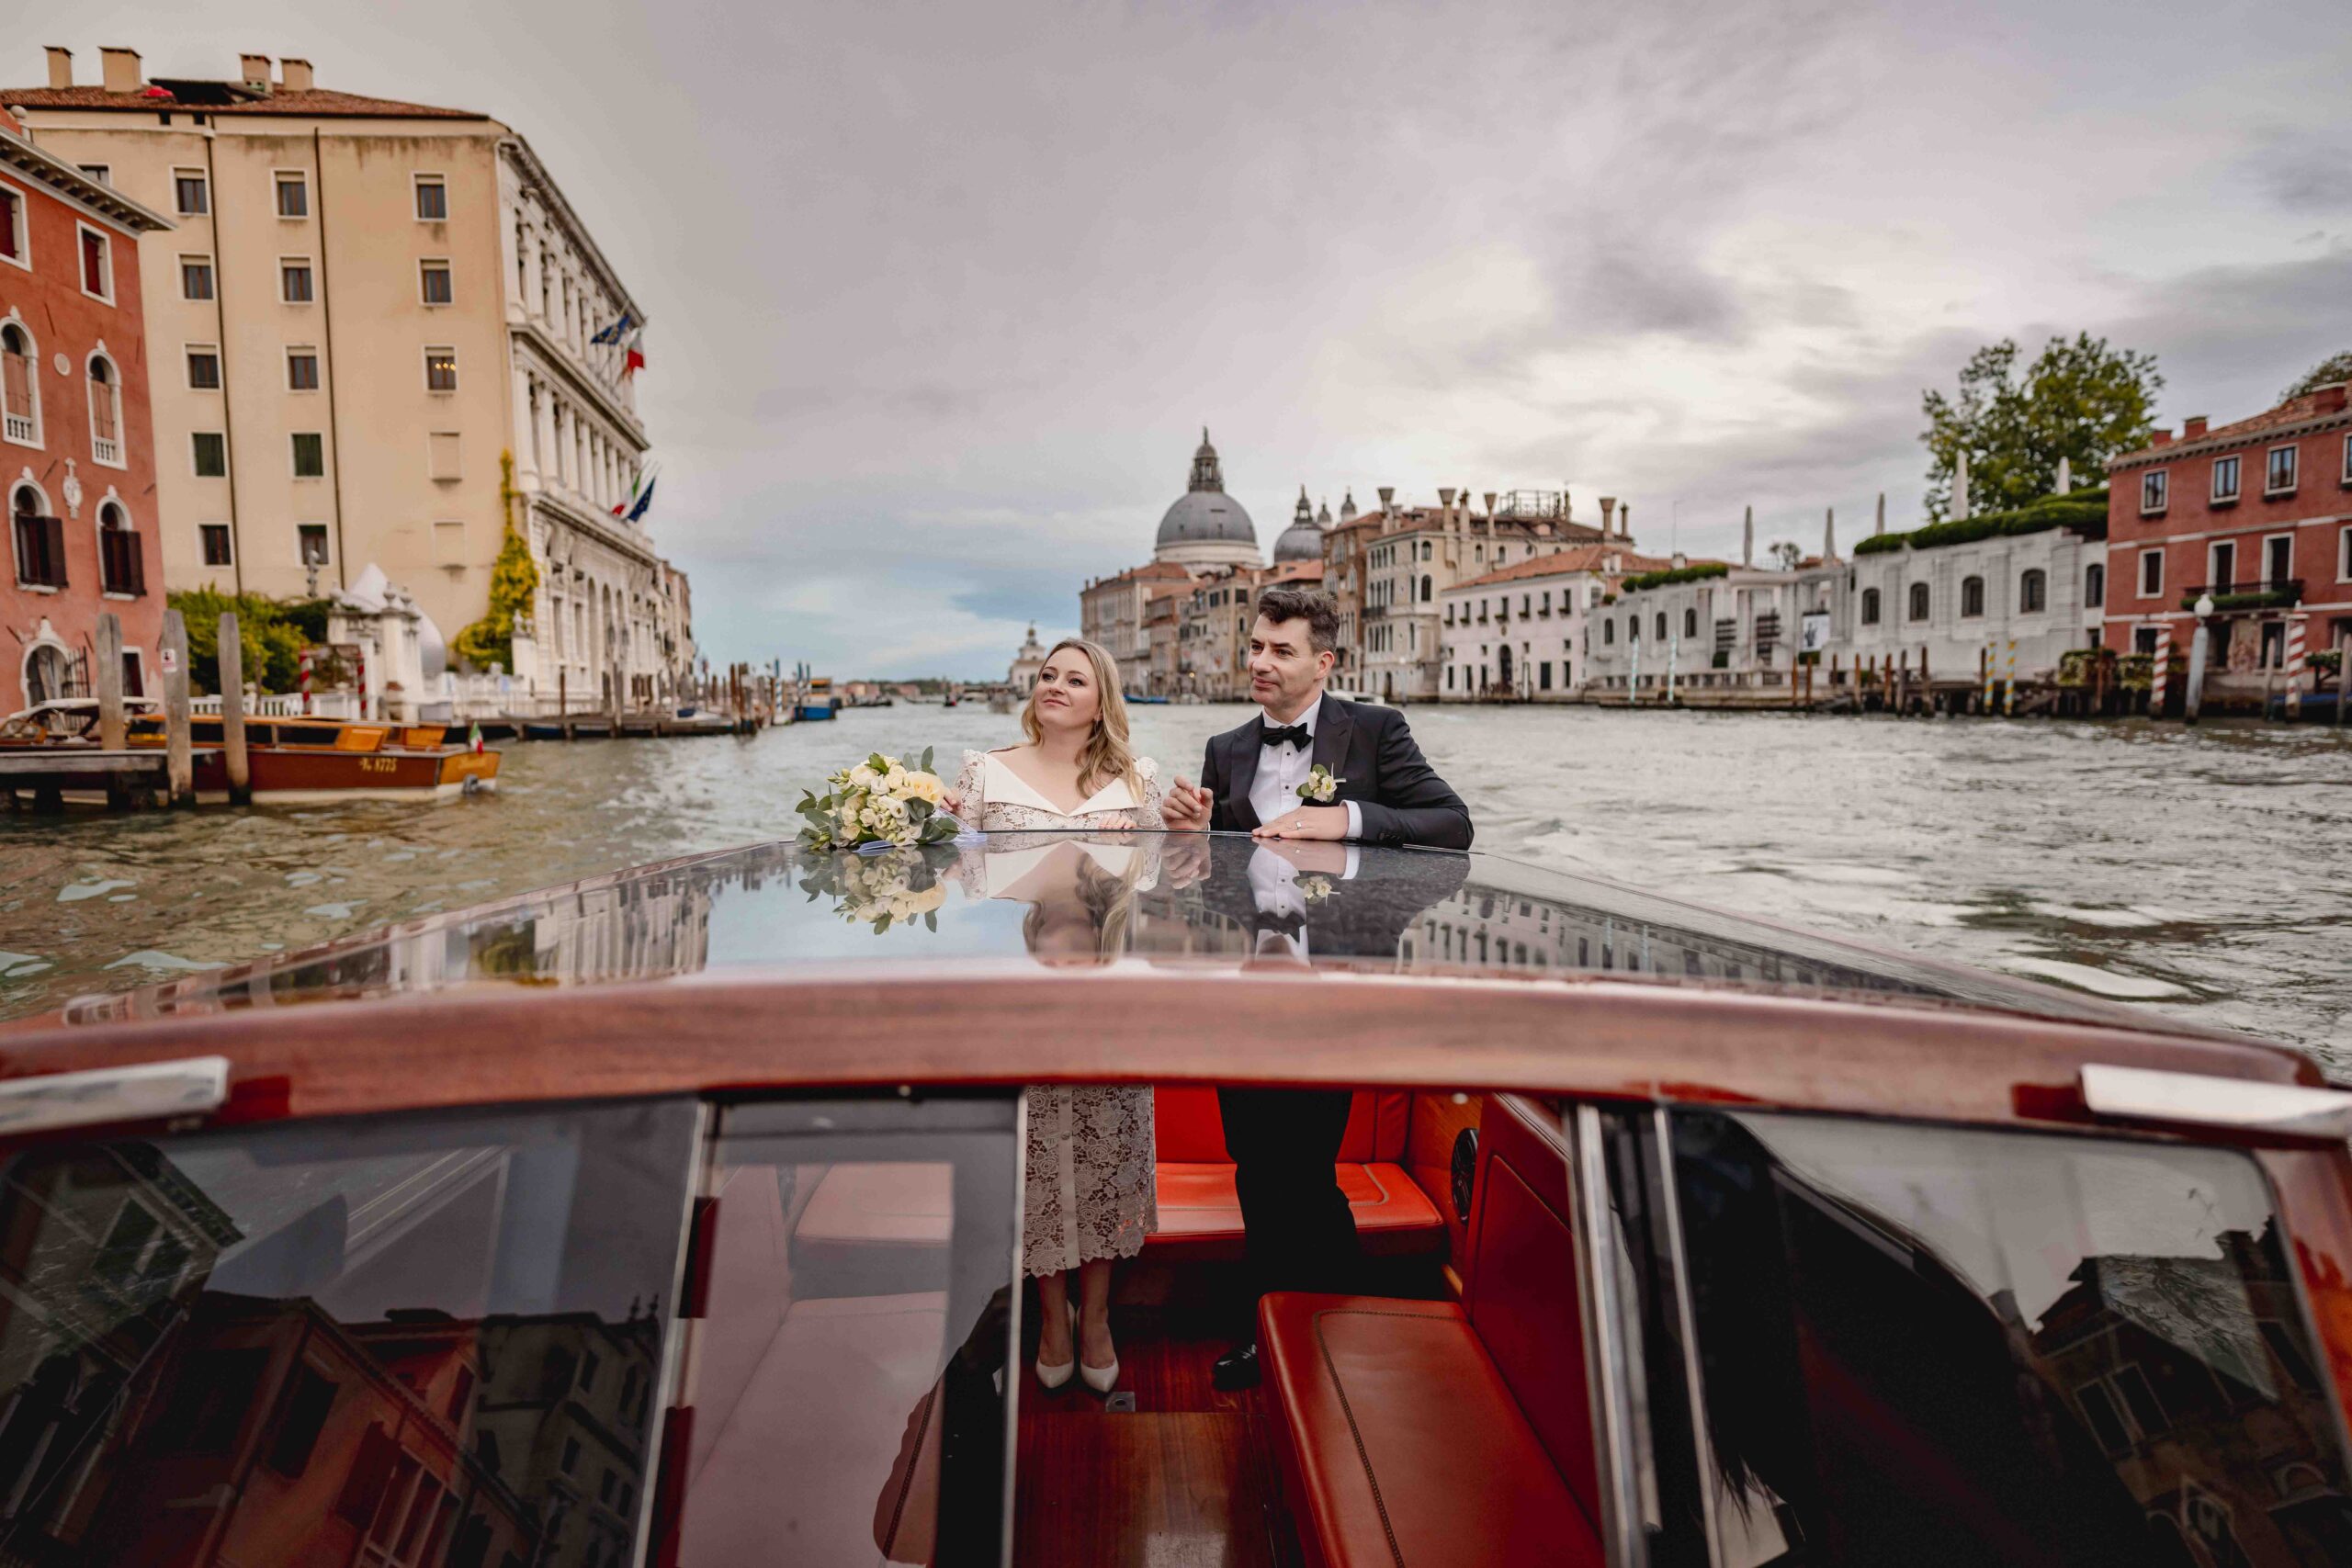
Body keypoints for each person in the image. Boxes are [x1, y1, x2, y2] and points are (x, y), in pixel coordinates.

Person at [1158, 585, 1473, 1389]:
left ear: (1324, 662)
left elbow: (1451, 821)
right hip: (1246, 993)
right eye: (1257, 646)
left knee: (1302, 1167)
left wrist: (1349, 819)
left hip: (1330, 993)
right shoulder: (1225, 747)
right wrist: (1193, 838)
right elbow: (1216, 878)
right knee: (1255, 1167)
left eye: (1281, 650)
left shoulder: (1374, 730)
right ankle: (1277, 1328)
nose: (1260, 662)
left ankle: (1325, 1329)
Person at [944, 637, 1165, 1393]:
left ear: (1102, 698)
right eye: (1047, 675)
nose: (1056, 686)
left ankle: (1096, 1312)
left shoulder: (1139, 779)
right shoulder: (984, 772)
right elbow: (957, 879)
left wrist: (1191, 828)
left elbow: (1163, 875)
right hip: (1019, 985)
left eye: (1076, 678)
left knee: (1106, 1146)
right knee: (1034, 1152)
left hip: (1108, 988)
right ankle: (1051, 1312)